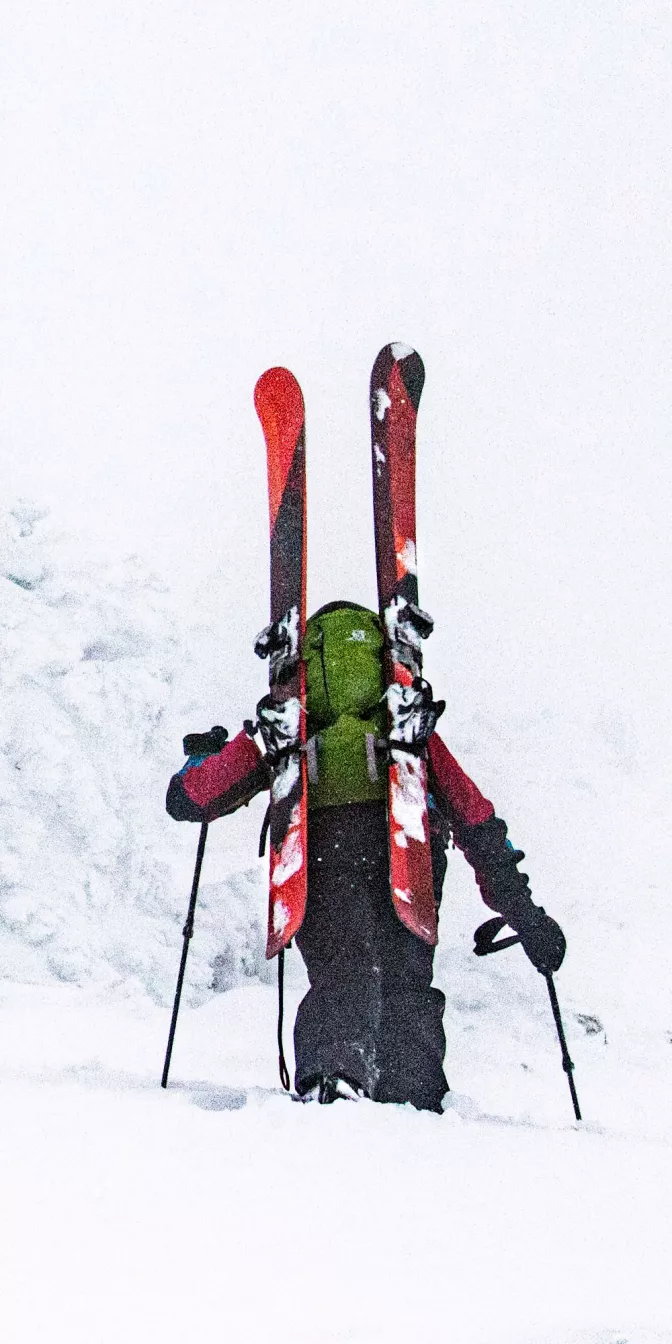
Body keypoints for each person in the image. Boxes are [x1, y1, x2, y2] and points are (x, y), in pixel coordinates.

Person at [166, 600, 565, 1114]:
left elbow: (189, 799)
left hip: (322, 854)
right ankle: (416, 1098)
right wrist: (525, 914)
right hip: (406, 851)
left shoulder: (287, 728)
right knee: (406, 984)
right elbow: (477, 821)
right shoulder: (408, 733)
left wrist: (204, 757)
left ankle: (332, 1080)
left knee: (341, 973)